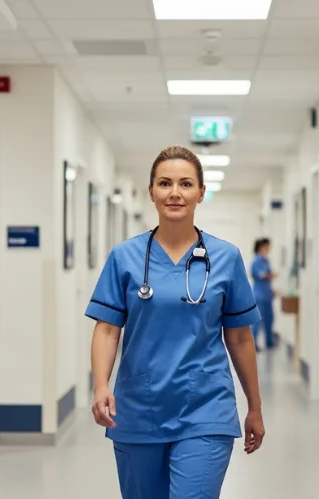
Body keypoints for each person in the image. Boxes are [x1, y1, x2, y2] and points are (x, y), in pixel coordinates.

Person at [85, 145, 265, 499]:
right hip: (138, 407)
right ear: (151, 192)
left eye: (185, 184)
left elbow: (240, 338)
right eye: (165, 183)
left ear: (200, 191)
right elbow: (107, 328)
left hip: (206, 406)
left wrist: (255, 407)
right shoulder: (124, 257)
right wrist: (100, 385)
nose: (175, 193)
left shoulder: (226, 258)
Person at [250, 238, 276, 349]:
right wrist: (269, 276)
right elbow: (261, 275)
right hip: (259, 295)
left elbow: (268, 276)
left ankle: (269, 342)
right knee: (257, 320)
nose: (268, 249)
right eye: (267, 246)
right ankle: (253, 344)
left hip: (267, 294)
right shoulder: (256, 261)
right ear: (261, 247)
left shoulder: (266, 261)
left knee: (270, 319)